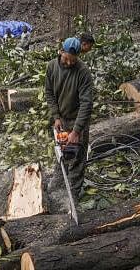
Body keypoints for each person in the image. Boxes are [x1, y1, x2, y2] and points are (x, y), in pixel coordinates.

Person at [45, 37, 94, 202]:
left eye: (73, 61)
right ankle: (57, 187)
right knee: (63, 153)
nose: (69, 63)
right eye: (66, 59)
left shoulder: (83, 72)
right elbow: (49, 93)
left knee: (78, 158)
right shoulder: (52, 67)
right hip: (62, 118)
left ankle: (73, 195)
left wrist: (77, 130)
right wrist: (56, 116)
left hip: (77, 118)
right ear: (61, 51)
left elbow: (86, 104)